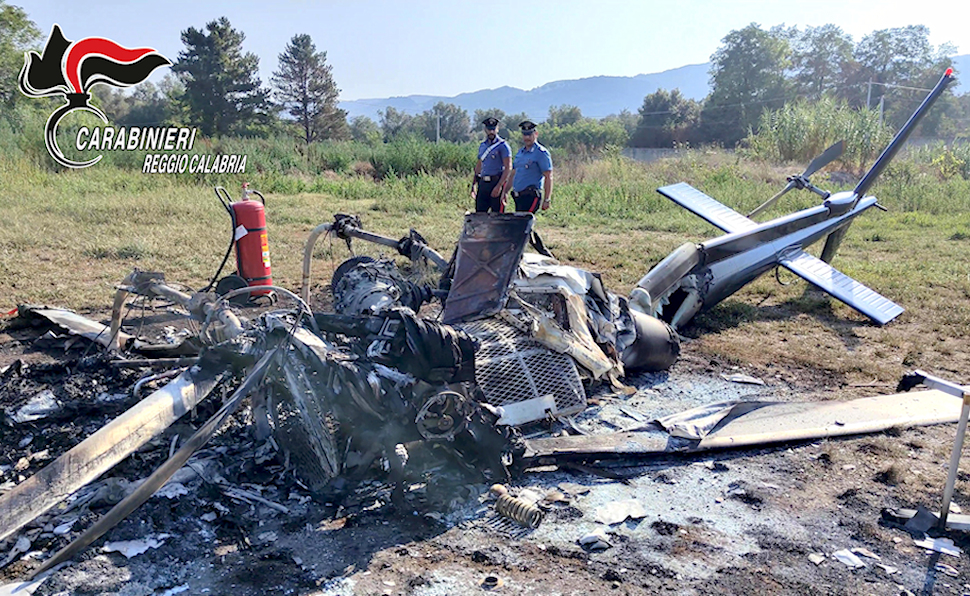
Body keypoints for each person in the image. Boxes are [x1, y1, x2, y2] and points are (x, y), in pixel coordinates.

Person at [506, 120, 552, 213]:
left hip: (531, 196)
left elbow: (548, 176)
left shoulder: (541, 153)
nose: (527, 138)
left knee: (526, 224)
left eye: (529, 135)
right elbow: (513, 174)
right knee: (520, 225)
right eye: (525, 135)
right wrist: (505, 192)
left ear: (536, 134)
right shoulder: (520, 153)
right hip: (518, 197)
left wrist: (547, 199)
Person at [471, 117, 512, 213]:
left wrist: (499, 186)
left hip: (496, 181)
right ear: (485, 130)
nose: (491, 132)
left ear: (497, 129)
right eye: (489, 129)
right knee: (480, 214)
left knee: (497, 216)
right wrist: (474, 184)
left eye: (493, 129)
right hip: (483, 183)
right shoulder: (482, 145)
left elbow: (508, 167)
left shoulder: (503, 145)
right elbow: (479, 165)